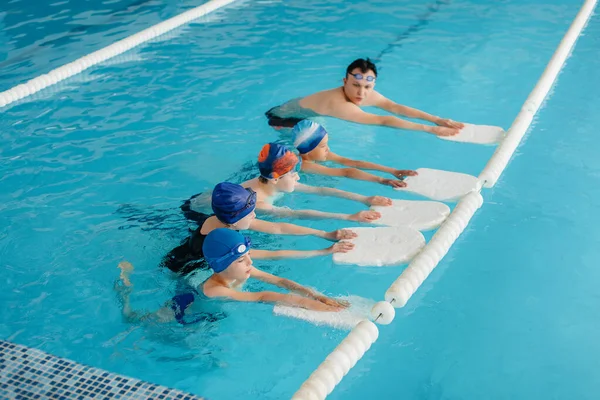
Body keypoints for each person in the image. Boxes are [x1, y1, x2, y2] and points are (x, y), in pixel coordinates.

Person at [163, 182, 355, 276]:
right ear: (235, 220)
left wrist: (323, 234)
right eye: (251, 214)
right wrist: (323, 252)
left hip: (185, 251)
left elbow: (278, 228)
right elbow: (273, 254)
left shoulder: (223, 220)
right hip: (186, 270)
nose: (255, 216)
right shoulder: (226, 242)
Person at [265, 58, 464, 136]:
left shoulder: (364, 93)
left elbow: (394, 107)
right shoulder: (339, 103)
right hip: (282, 120)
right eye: (356, 85)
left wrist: (437, 119)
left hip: (302, 110)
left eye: (367, 87)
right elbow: (382, 119)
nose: (362, 93)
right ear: (344, 82)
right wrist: (430, 129)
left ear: (373, 84)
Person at [201, 229, 348, 312]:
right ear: (221, 266)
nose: (250, 262)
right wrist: (310, 304)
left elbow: (279, 281)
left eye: (249, 255)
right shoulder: (214, 290)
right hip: (200, 317)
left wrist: (316, 296)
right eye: (241, 260)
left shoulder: (240, 270)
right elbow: (261, 296)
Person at [241, 143, 392, 222]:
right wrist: (348, 216)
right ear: (274, 179)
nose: (298, 178)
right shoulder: (257, 203)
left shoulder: (276, 182)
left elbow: (320, 190)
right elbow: (295, 214)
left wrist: (364, 199)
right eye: (293, 175)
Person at [292, 120, 417, 188]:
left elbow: (352, 163)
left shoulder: (318, 153)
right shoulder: (304, 165)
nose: (328, 149)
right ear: (308, 150)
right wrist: (381, 180)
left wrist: (393, 171)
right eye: (323, 146)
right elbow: (346, 172)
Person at [114, 261, 224, 325]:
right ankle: (124, 294)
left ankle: (124, 294)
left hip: (192, 307)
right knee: (133, 319)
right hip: (186, 307)